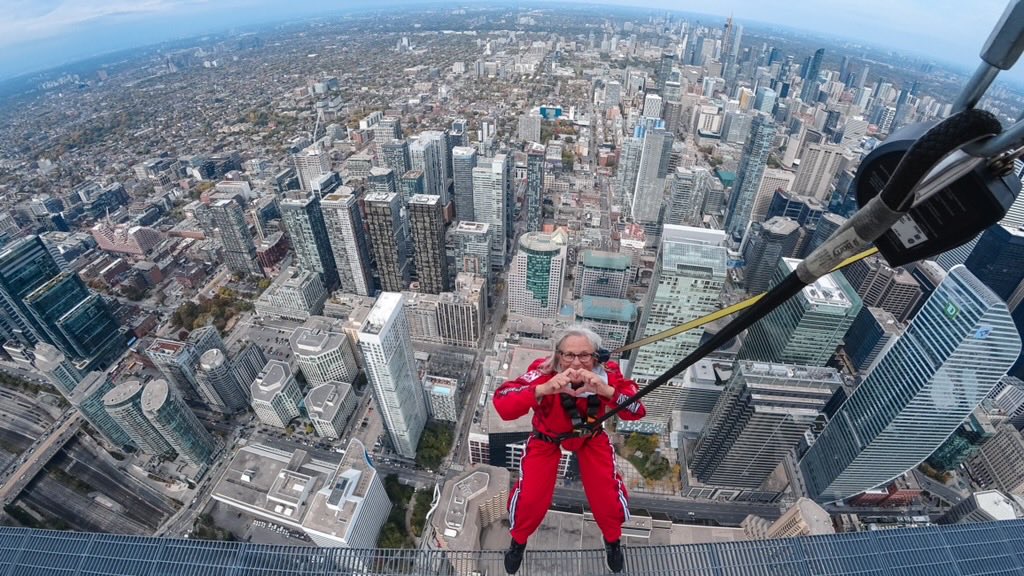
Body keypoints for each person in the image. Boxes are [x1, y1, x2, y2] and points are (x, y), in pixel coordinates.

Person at [493, 326, 646, 574]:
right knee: (530, 499)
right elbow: (503, 403)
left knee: (607, 497)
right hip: (547, 438)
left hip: (589, 436)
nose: (576, 363)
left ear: (595, 357)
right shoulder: (543, 372)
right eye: (568, 355)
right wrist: (542, 390)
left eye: (584, 355)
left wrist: (605, 390)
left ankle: (612, 541)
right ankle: (518, 542)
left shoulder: (607, 374)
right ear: (558, 355)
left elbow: (637, 410)